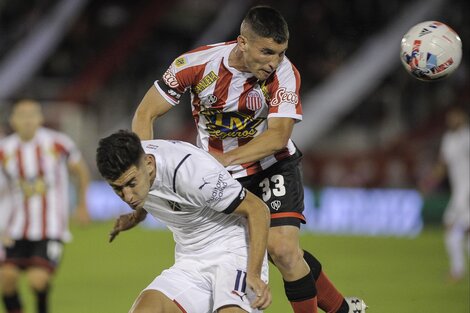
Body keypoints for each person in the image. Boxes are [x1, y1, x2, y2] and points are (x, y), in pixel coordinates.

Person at [132, 5, 367, 313]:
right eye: (267, 52)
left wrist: (224, 160)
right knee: (245, 251)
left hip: (272, 165)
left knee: (281, 248)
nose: (274, 62)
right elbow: (145, 113)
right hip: (222, 175)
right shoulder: (195, 64)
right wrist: (147, 170)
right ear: (242, 43)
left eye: (280, 53)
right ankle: (343, 310)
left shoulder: (285, 74)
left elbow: (278, 136)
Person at [96, 130, 271, 312]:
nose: (128, 197)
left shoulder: (194, 173)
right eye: (118, 189)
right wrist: (136, 216)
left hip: (234, 251)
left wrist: (254, 274)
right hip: (190, 260)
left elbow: (257, 210)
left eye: (132, 184)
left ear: (148, 163)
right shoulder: (134, 163)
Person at [0, 99, 91, 313]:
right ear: (13, 120)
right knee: (6, 277)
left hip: (50, 227)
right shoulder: (5, 150)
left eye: (32, 115)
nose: (28, 120)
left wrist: (82, 205)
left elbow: (81, 171)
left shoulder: (58, 143)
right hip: (15, 227)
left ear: (40, 118)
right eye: (22, 115)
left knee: (37, 280)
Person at [420, 106, 470, 282]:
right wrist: (429, 183)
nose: (451, 119)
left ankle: (457, 271)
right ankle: (457, 270)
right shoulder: (449, 139)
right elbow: (442, 165)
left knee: (457, 229)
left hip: (467, 192)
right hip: (458, 192)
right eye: (450, 116)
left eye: (455, 116)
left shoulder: (467, 138)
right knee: (456, 230)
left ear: (462, 117)